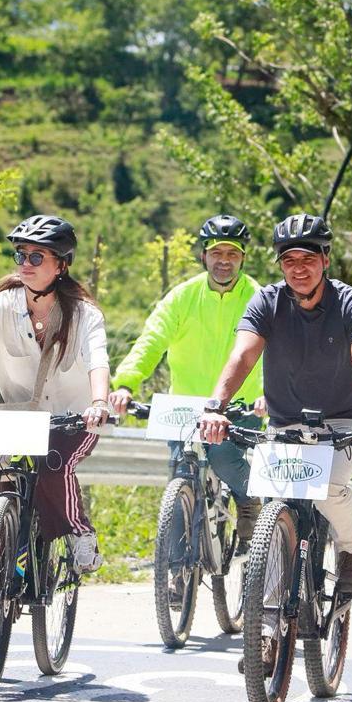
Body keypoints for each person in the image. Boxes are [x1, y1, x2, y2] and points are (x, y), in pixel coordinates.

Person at [197, 214, 352, 673]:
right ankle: (265, 633)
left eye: (308, 258)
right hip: (286, 422)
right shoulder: (266, 301)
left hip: (348, 423)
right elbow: (243, 353)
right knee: (276, 513)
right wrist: (216, 405)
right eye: (289, 260)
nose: (298, 268)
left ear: (325, 259)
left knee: (326, 486)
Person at [0, 214, 110, 574]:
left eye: (36, 257)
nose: (25, 264)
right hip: (15, 418)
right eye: (21, 256)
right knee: (2, 490)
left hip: (72, 419)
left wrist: (99, 403)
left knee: (52, 465)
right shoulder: (1, 305)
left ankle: (79, 532)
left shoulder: (84, 315)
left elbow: (98, 361)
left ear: (60, 265)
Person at [109, 215, 265, 545]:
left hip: (240, 405)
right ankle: (178, 575)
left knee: (222, 456)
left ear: (243, 258)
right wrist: (126, 383)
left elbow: (280, 350)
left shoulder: (259, 297)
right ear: (204, 255)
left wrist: (269, 394)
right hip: (186, 407)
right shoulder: (182, 296)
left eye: (233, 254)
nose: (224, 261)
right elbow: (151, 341)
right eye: (217, 253)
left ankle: (249, 498)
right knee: (180, 475)